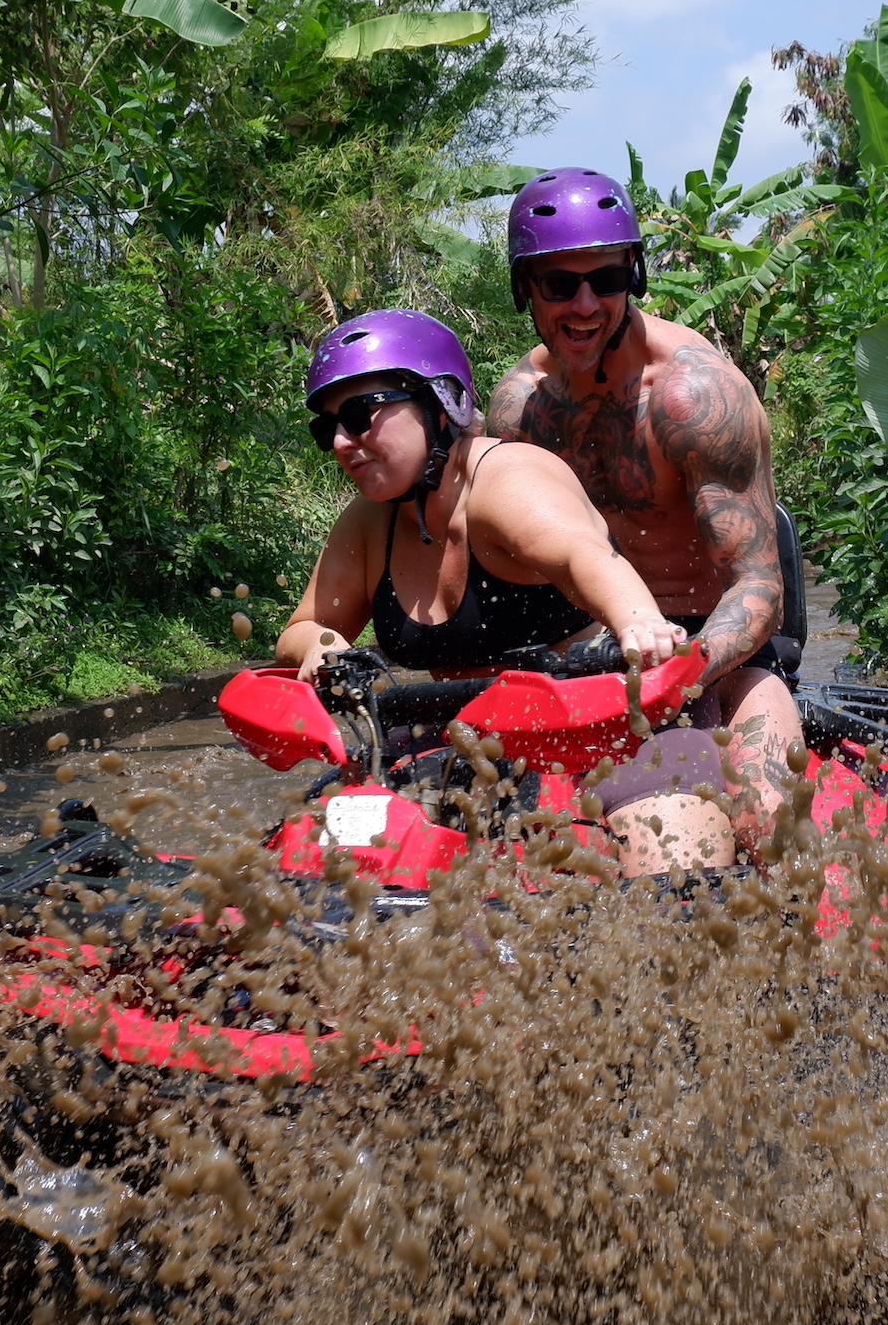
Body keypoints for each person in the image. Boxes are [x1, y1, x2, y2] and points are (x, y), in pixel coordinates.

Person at [274, 309, 729, 875]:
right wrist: (320, 646)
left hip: (614, 728)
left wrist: (639, 623)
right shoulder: (367, 524)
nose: (343, 441)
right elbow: (301, 628)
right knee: (311, 864)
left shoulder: (507, 479)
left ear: (441, 403)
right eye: (328, 428)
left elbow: (586, 555)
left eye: (362, 414)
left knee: (676, 880)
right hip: (464, 746)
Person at [486, 168, 803, 846]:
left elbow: (758, 585)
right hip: (581, 661)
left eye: (603, 280)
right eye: (557, 283)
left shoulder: (693, 397)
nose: (582, 304)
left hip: (717, 652)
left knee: (770, 823)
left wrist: (682, 670)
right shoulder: (518, 412)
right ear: (523, 288)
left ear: (633, 274)